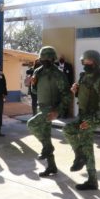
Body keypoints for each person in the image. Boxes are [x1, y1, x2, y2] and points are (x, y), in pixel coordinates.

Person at [63, 50, 100, 190]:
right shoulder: (84, 76)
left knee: (87, 147)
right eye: (84, 61)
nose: (85, 63)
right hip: (82, 115)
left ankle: (91, 179)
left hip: (92, 117)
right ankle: (81, 157)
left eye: (88, 61)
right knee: (68, 130)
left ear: (95, 62)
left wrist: (91, 121)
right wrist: (76, 90)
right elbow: (84, 95)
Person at [27, 46, 70, 177]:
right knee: (45, 136)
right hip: (41, 106)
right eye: (43, 58)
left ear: (53, 59)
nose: (45, 61)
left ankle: (48, 148)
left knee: (31, 124)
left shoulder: (58, 74)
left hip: (51, 109)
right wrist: (33, 84)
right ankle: (51, 166)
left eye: (48, 58)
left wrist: (58, 111)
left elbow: (66, 95)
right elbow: (35, 91)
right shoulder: (38, 71)